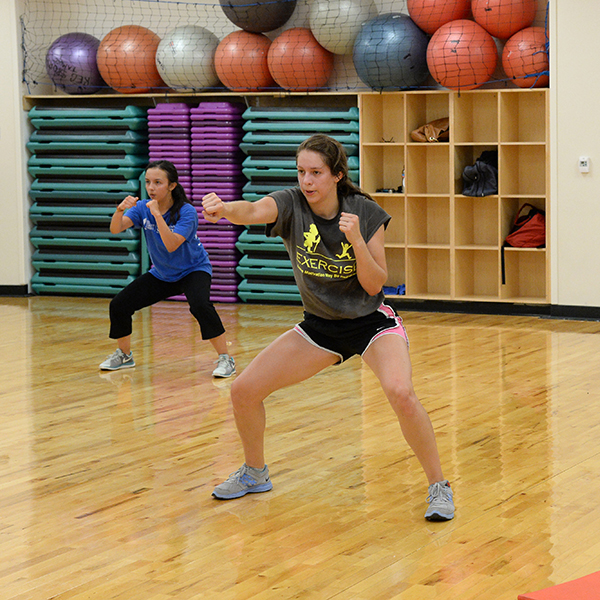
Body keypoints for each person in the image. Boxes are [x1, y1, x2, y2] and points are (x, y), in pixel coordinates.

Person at [201, 134, 454, 521]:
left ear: (337, 175)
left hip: (371, 325)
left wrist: (354, 240)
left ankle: (439, 486)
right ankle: (255, 472)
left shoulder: (364, 212)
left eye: (316, 173)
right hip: (320, 328)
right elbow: (251, 210)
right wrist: (222, 209)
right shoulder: (290, 204)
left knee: (401, 393)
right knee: (243, 391)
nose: (307, 181)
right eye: (302, 172)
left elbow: (374, 284)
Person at [99, 160, 236, 378]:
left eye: (157, 182)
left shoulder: (187, 212)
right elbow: (116, 229)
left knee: (200, 306)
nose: (151, 188)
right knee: (119, 305)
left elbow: (171, 244)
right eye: (147, 182)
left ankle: (226, 359)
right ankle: (125, 355)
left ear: (171, 186)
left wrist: (155, 216)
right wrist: (119, 210)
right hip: (163, 273)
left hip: (193, 270)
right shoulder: (143, 207)